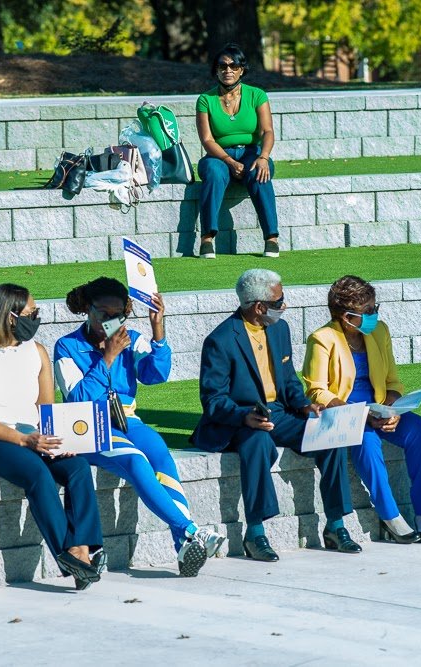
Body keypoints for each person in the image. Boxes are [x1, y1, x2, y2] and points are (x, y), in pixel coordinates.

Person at [54, 277, 226, 577]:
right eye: (102, 313)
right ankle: (190, 530)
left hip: (127, 419)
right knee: (135, 460)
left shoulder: (131, 338)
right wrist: (107, 358)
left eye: (118, 314)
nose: (110, 320)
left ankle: (183, 546)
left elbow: (156, 375)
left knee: (160, 454)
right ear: (88, 309)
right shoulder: (67, 346)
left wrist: (158, 331)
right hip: (87, 426)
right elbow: (76, 398)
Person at [191, 269, 360, 562]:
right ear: (259, 307)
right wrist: (244, 416)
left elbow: (289, 379)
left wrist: (306, 405)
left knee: (329, 437)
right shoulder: (220, 340)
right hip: (240, 421)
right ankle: (255, 533)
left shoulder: (279, 329)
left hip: (281, 413)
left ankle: (336, 525)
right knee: (257, 443)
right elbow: (213, 400)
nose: (285, 305)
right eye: (280, 300)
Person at [0, 283, 104, 590]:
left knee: (76, 467)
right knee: (36, 471)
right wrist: (23, 440)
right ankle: (68, 553)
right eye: (31, 312)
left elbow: (45, 408)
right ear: (9, 316)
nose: (36, 317)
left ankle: (84, 548)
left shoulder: (36, 352)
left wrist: (60, 441)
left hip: (32, 438)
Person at [302, 275, 421, 543]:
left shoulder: (380, 331)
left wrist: (392, 408)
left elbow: (393, 381)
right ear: (345, 316)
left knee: (419, 429)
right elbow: (316, 389)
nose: (374, 315)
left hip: (380, 409)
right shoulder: (321, 339)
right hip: (346, 414)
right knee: (366, 441)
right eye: (367, 312)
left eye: (375, 308)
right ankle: (391, 517)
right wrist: (362, 414)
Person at [195, 43, 280, 260]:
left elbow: (268, 131)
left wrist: (264, 157)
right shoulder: (205, 100)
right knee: (213, 172)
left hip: (253, 152)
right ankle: (207, 239)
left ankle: (271, 238)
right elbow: (206, 139)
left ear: (242, 69)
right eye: (222, 66)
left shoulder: (257, 95)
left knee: (259, 172)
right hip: (218, 155)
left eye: (234, 65)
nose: (228, 70)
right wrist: (229, 161)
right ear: (216, 70)